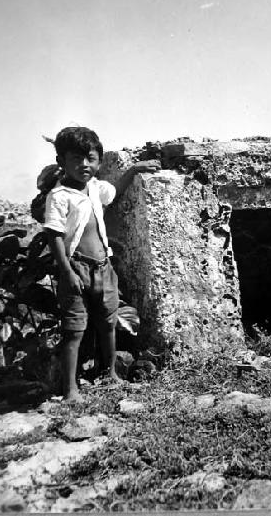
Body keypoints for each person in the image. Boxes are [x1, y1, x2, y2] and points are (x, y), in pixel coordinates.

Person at [43, 126, 160, 402]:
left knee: (107, 323)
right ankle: (70, 389)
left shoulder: (96, 188)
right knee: (74, 330)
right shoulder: (59, 197)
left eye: (91, 158)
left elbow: (116, 191)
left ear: (98, 161)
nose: (84, 165)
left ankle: (110, 374)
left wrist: (133, 170)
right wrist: (67, 271)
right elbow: (55, 236)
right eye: (76, 159)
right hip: (77, 269)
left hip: (103, 267)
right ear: (61, 161)